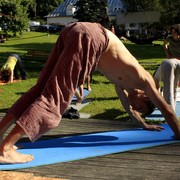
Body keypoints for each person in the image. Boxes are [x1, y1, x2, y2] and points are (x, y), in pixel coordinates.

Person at [0, 22, 180, 164]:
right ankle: (5, 149)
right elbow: (167, 109)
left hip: (75, 30)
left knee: (41, 89)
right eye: (140, 107)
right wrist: (178, 133)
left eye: (138, 110)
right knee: (55, 98)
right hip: (91, 36)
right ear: (146, 97)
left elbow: (127, 107)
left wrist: (143, 125)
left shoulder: (124, 83)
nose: (134, 107)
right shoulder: (146, 81)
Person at [154, 24, 180, 111]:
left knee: (175, 83)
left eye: (174, 32)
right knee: (169, 80)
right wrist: (167, 54)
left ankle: (171, 105)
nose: (173, 33)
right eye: (171, 31)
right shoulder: (169, 38)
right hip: (172, 60)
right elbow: (164, 44)